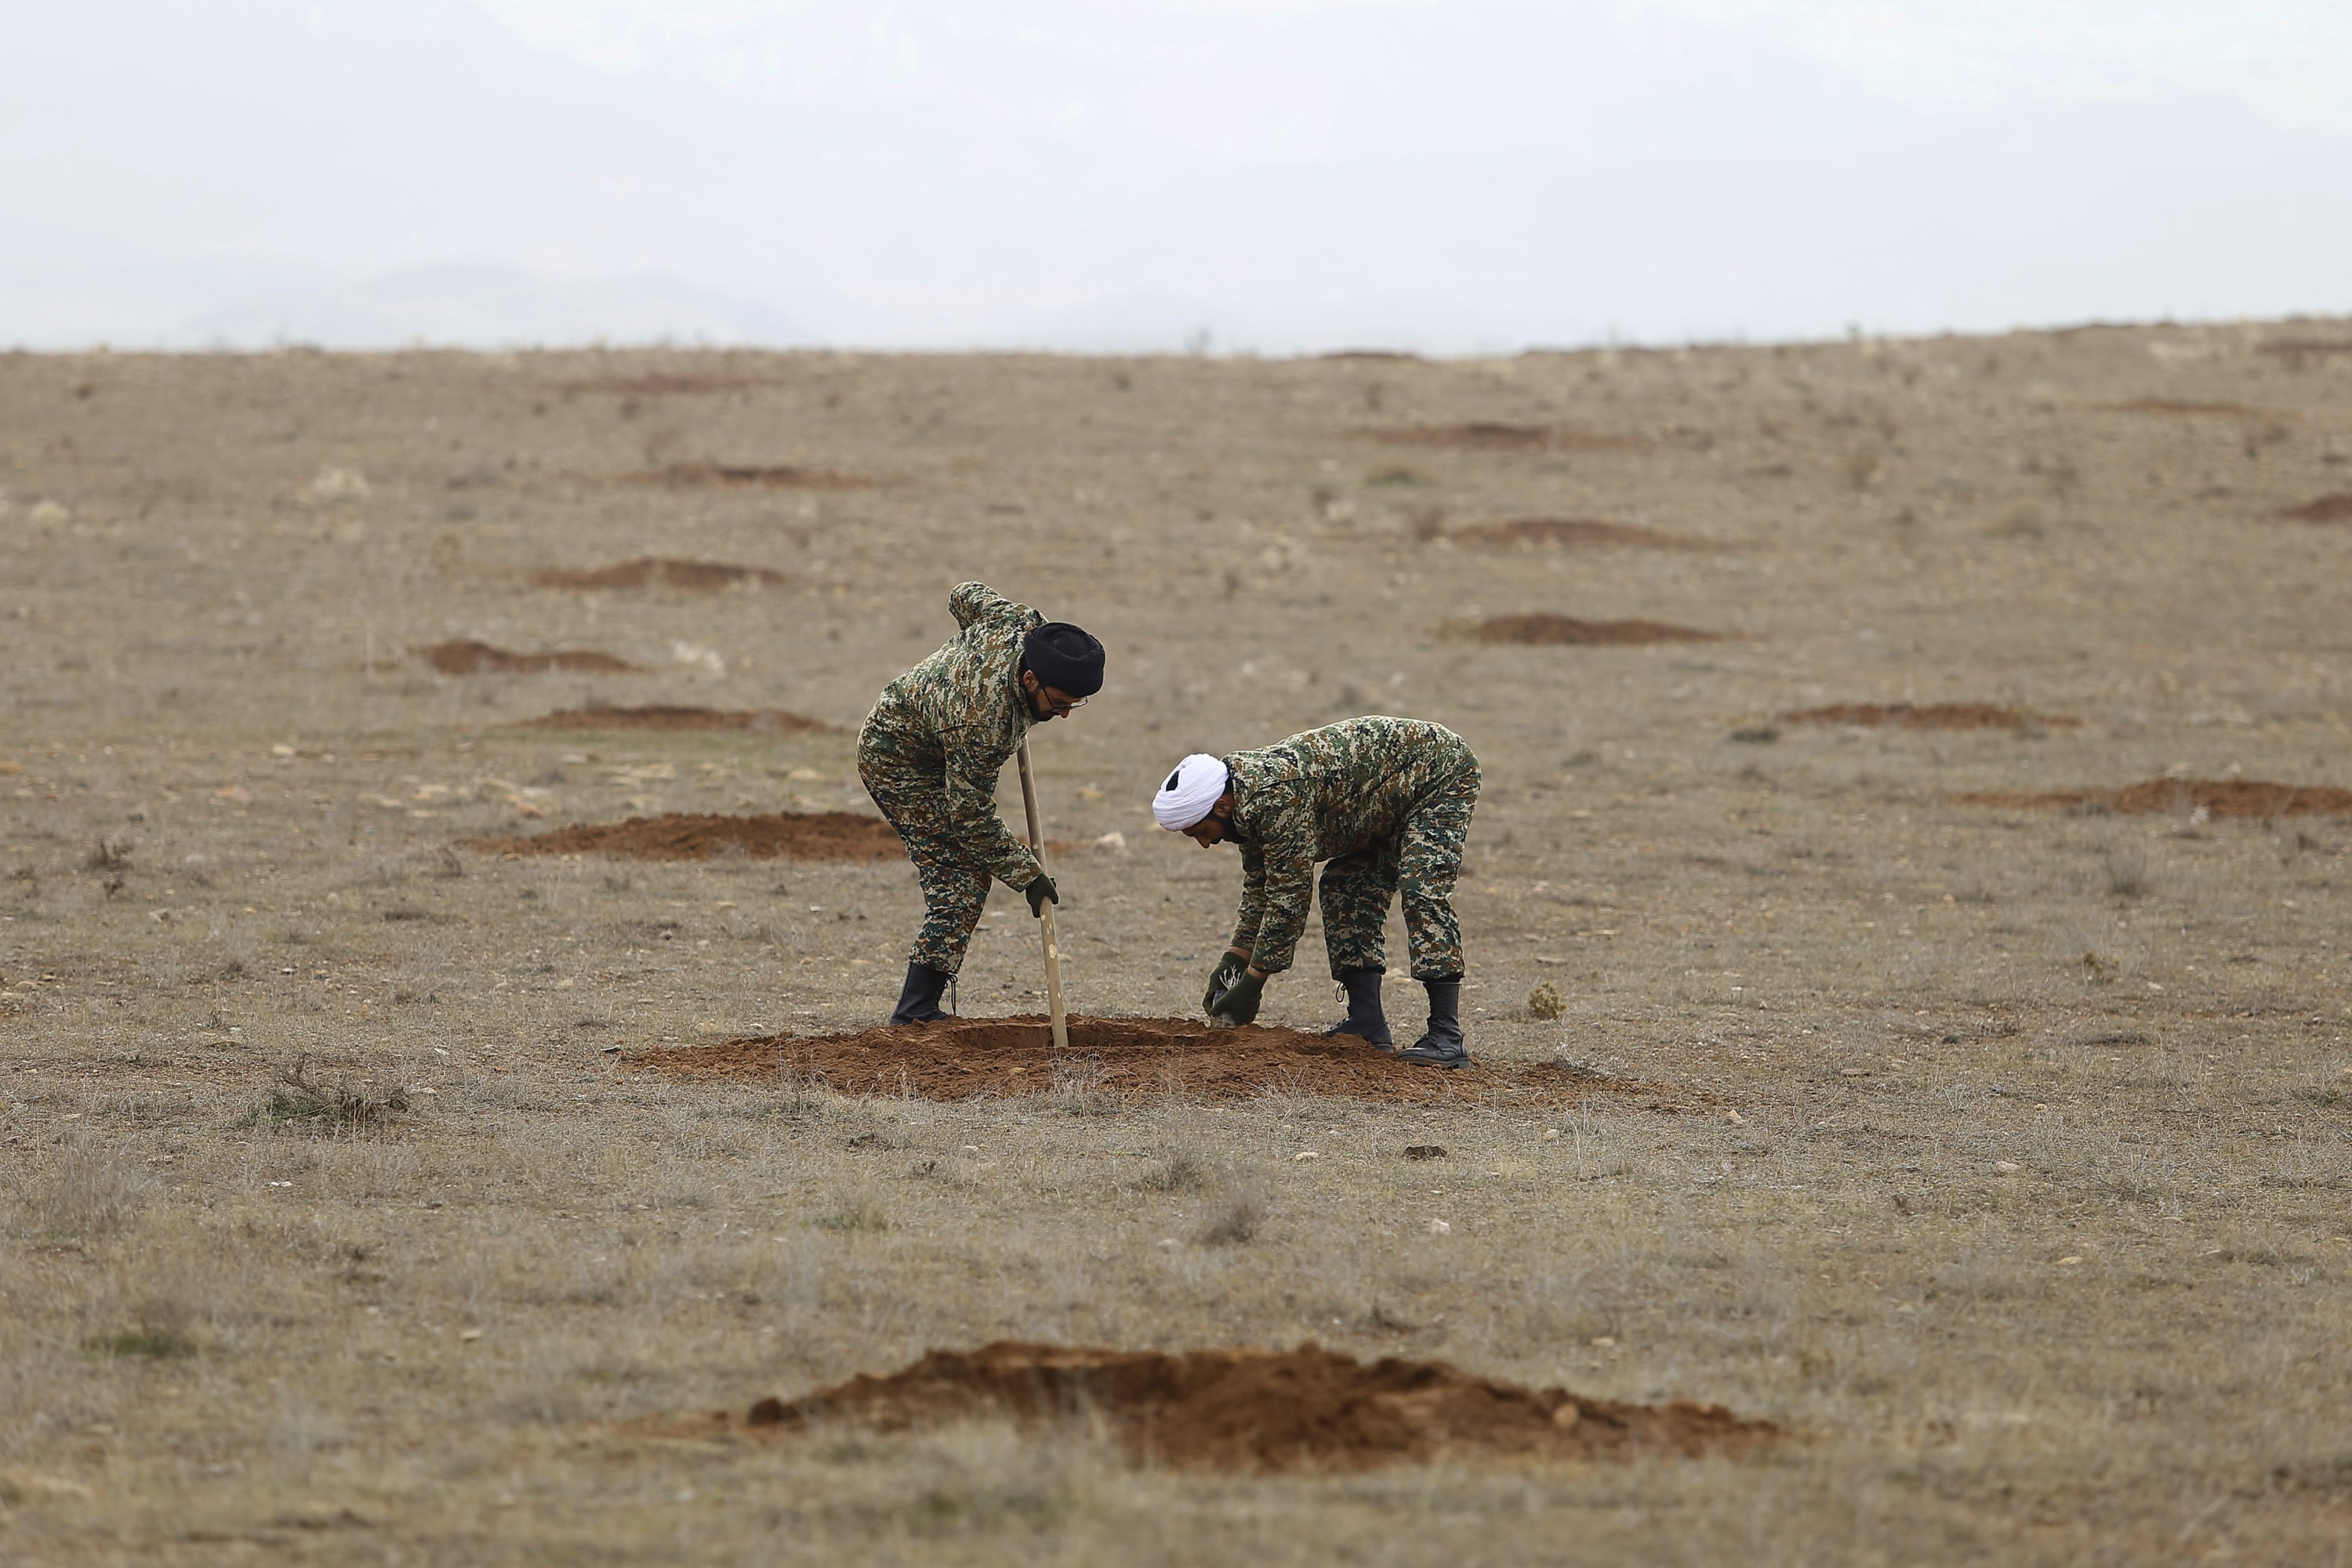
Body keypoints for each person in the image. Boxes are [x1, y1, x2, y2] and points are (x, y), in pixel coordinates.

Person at [1152, 716, 1480, 1068]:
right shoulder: (1243, 805)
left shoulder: (1272, 798)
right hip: (1379, 798)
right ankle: (1368, 1024)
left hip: (1436, 774)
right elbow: (1262, 889)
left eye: (1201, 831)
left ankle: (1447, 1036)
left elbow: (1289, 900)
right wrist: (1234, 959)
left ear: (1221, 807)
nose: (1205, 843)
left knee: (1421, 889)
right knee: (1344, 889)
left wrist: (1251, 984)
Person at [860, 582, 1104, 1024]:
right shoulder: (985, 724)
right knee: (961, 879)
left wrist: (969, 652)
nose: (1066, 714)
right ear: (1030, 679)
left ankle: (918, 1007)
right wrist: (1028, 875)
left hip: (936, 737)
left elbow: (964, 593)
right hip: (897, 757)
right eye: (1061, 703)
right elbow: (970, 819)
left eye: (1077, 704)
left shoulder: (1021, 626)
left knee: (966, 873)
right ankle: (914, 1014)